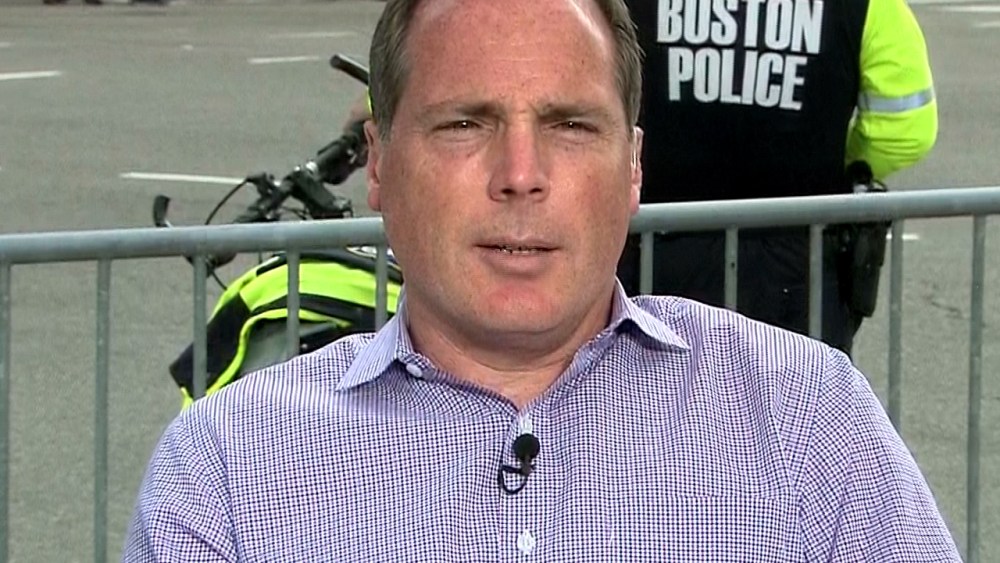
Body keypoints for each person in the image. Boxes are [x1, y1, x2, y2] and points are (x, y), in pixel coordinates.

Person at [122, 0, 960, 560]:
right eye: (464, 122)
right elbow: (901, 129)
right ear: (379, 162)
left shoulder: (810, 420)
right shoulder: (229, 469)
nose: (520, 175)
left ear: (633, 166)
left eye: (570, 125)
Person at [617, 0, 937, 355]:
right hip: (801, 262)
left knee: (646, 387)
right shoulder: (871, 7)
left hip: (655, 250)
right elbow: (907, 130)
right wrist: (831, 162)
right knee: (802, 384)